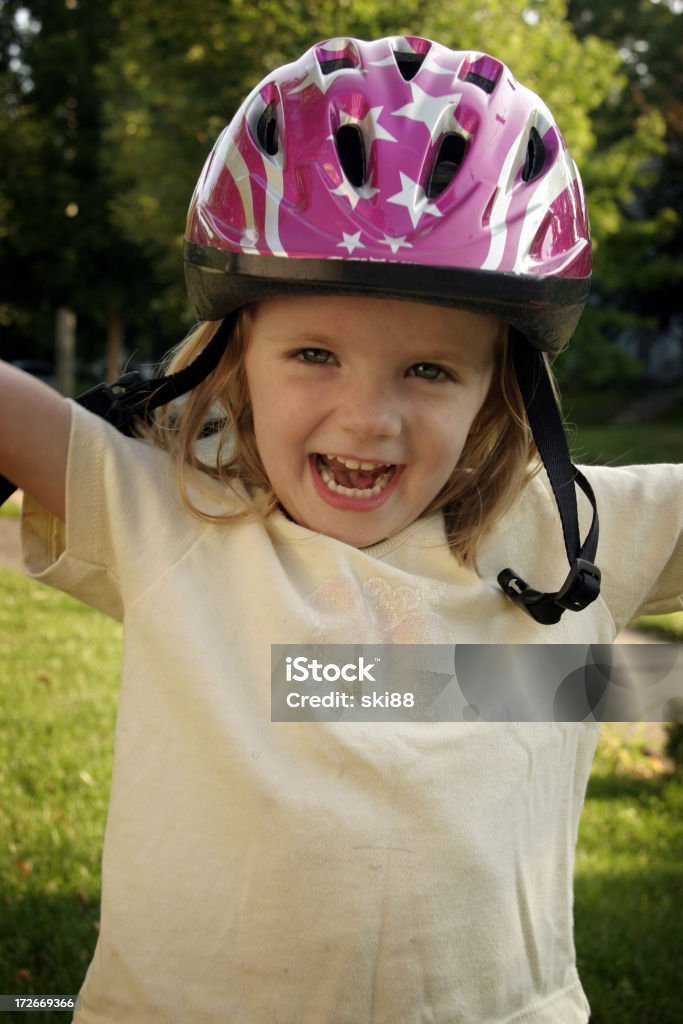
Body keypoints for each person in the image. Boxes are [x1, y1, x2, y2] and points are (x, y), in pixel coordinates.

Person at [0, 34, 681, 1024]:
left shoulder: (563, 537)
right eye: (313, 352)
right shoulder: (170, 518)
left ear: (502, 390)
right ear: (232, 361)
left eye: (428, 370)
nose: (367, 418)